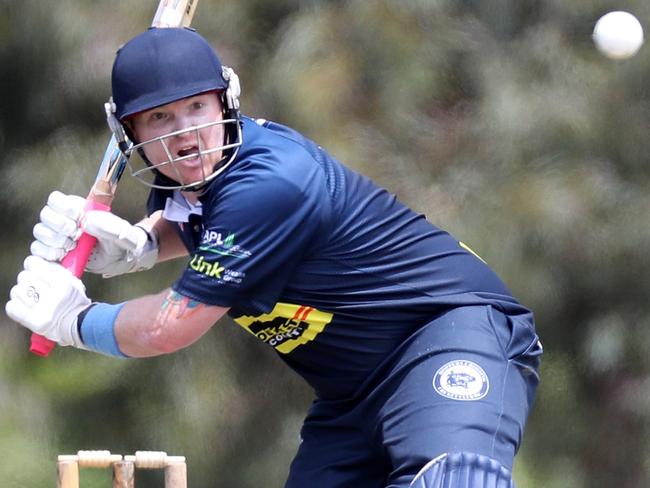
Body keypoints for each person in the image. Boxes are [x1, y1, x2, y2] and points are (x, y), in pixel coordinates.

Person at [6, 27, 542, 487]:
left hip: (445, 336)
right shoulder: (191, 186)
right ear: (130, 135)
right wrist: (140, 245)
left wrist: (76, 321)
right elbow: (190, 220)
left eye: (196, 107)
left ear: (226, 101)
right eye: (160, 119)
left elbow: (169, 328)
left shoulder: (270, 182)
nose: (186, 135)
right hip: (352, 394)